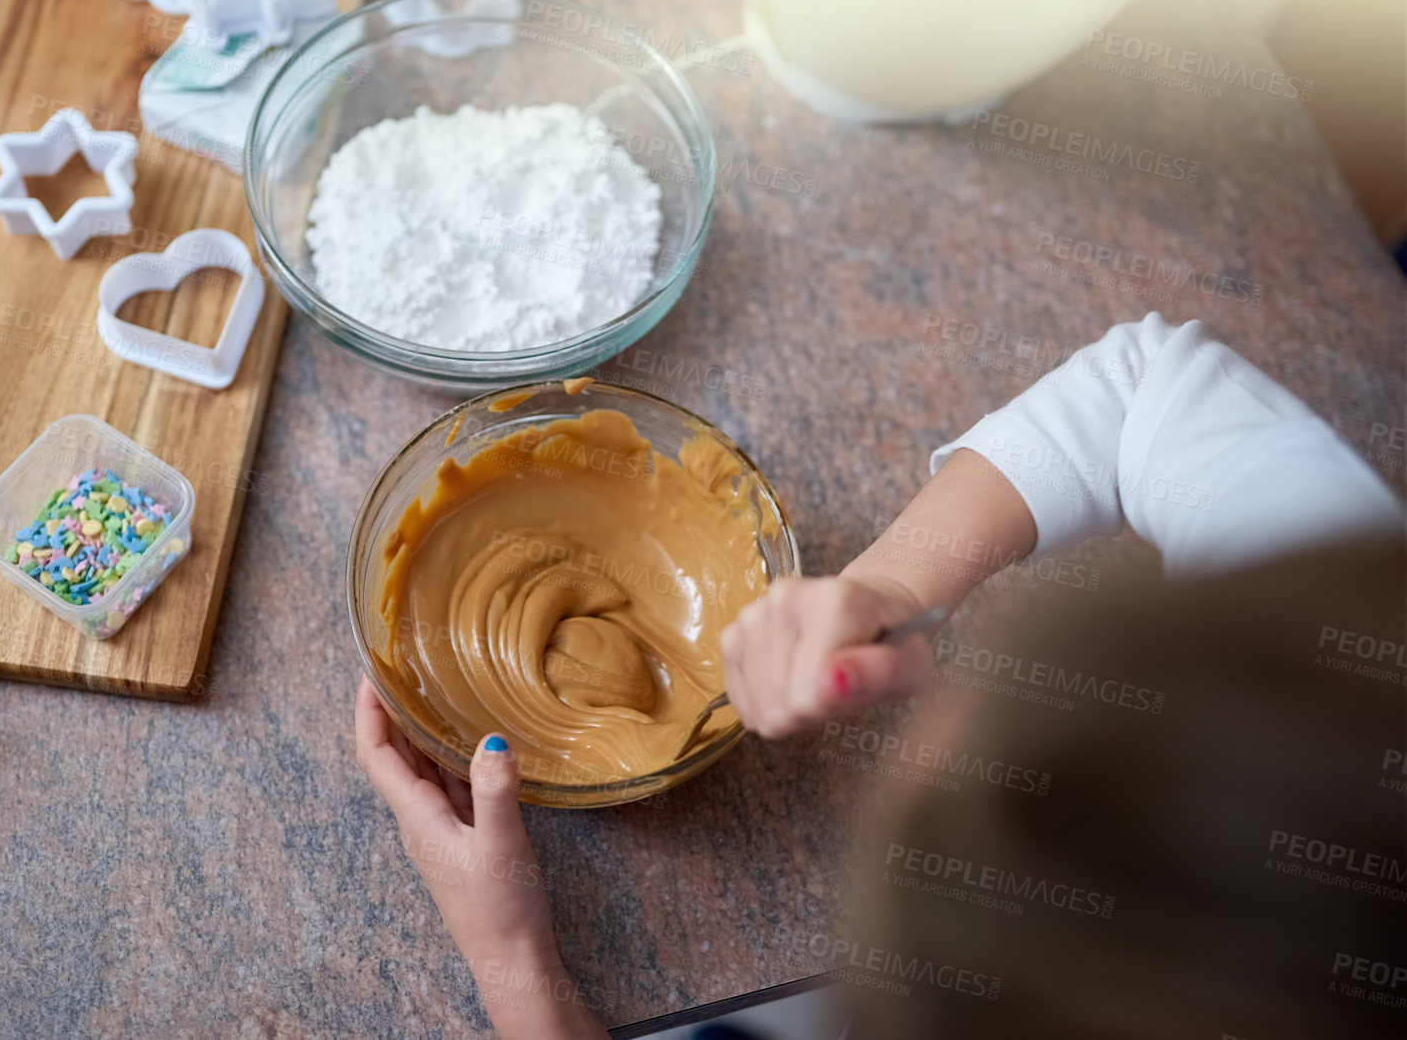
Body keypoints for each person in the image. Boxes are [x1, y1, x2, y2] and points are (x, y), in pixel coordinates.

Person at [354, 314, 1404, 1038]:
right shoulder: (1343, 649)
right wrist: (888, 587)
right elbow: (1140, 390)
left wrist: (514, 970)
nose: (921, 720)